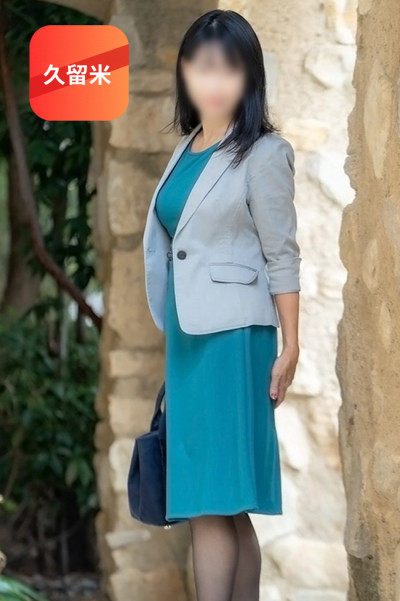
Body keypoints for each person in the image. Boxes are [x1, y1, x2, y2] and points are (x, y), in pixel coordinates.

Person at [142, 9, 301, 601]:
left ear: (249, 76)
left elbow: (282, 253)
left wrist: (292, 344)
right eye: (202, 66)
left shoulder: (264, 153)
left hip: (235, 340)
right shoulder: (186, 148)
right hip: (189, 339)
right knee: (224, 503)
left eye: (229, 69)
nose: (214, 81)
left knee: (211, 500)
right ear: (185, 72)